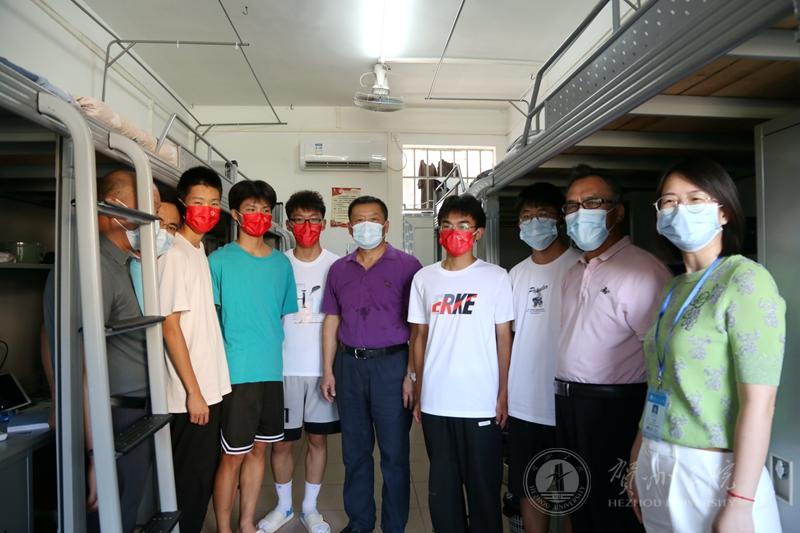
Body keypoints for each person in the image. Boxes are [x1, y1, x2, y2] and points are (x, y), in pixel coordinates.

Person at [629, 158, 785, 532]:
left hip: (715, 468)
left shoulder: (746, 280)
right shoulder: (672, 288)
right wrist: (637, 457)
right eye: (669, 201)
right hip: (657, 458)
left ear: (724, 212)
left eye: (695, 199)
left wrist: (740, 502)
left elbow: (760, 403)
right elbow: (660, 383)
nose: (680, 209)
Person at [556, 165, 672, 532]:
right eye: (572, 206)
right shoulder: (574, 271)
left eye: (592, 202)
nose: (580, 213)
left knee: (614, 510)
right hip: (570, 403)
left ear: (617, 211)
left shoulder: (643, 271)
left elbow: (663, 362)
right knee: (580, 504)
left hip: (616, 408)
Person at [408, 194, 513, 533]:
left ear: (478, 232)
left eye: (463, 225)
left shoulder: (496, 277)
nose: (455, 232)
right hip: (436, 402)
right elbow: (419, 338)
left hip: (480, 401)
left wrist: (503, 392)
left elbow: (503, 337)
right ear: (439, 231)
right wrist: (419, 390)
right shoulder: (424, 278)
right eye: (448, 225)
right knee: (443, 492)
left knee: (483, 491)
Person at [319, 195, 422, 533]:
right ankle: (360, 522)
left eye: (374, 219)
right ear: (349, 228)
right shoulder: (339, 269)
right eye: (359, 220)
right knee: (355, 453)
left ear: (386, 225)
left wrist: (411, 374)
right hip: (349, 367)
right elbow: (332, 321)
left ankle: (394, 526)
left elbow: (418, 328)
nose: (367, 226)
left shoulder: (408, 266)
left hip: (392, 367)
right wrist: (328, 370)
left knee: (394, 454)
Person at [209, 180, 297, 533]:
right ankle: (224, 527)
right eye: (251, 209)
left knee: (260, 450)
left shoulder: (281, 264)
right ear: (235, 214)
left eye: (265, 210)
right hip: (236, 372)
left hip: (271, 370)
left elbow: (279, 316)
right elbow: (211, 321)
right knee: (232, 456)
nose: (259, 216)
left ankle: (246, 522)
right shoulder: (219, 261)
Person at [159, 166, 231, 533]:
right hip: (191, 393)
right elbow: (169, 326)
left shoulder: (197, 249)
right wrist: (194, 392)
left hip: (207, 386)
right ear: (183, 203)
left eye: (214, 203)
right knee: (189, 482)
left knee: (202, 476)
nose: (207, 210)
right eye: (199, 202)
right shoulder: (173, 254)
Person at [507, 183, 580, 533]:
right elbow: (509, 338)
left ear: (560, 219)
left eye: (543, 214)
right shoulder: (515, 275)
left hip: (568, 401)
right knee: (530, 487)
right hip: (524, 403)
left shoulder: (580, 267)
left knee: (571, 489)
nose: (534, 222)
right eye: (526, 216)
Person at [88, 169, 157, 532]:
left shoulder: (131, 264)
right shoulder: (94, 268)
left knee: (130, 502)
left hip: (139, 406)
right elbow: (79, 360)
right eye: (148, 206)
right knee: (112, 507)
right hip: (115, 412)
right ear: (114, 208)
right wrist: (94, 451)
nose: (154, 219)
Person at [268, 190, 340, 533]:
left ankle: (310, 509)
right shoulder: (276, 263)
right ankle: (283, 507)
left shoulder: (336, 265)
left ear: (323, 223)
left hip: (321, 371)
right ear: (288, 224)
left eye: (313, 220)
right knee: (282, 442)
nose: (306, 226)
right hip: (283, 369)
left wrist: (331, 369)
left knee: (317, 440)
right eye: (299, 220)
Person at [129, 200, 181, 311]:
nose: (163, 231)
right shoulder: (122, 265)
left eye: (171, 227)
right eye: (158, 222)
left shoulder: (169, 269)